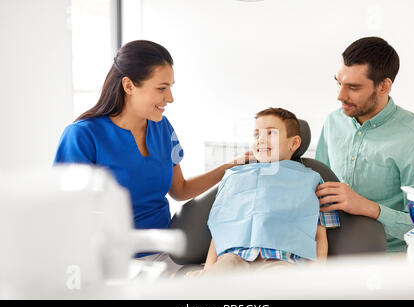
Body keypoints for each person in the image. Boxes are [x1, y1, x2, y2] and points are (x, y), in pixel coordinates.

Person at [53, 40, 252, 276]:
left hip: (165, 253)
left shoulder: (162, 127)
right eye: (161, 88)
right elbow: (65, 214)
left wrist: (235, 165)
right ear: (128, 85)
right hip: (111, 263)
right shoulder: (82, 135)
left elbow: (180, 189)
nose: (170, 97)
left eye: (171, 87)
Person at [315, 37, 414, 253]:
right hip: (328, 248)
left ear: (384, 86)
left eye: (353, 87)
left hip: (387, 259)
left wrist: (367, 207)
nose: (340, 96)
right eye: (339, 83)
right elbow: (314, 184)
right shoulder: (333, 121)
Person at [186, 108, 340, 278]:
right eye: (256, 134)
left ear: (294, 143)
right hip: (235, 258)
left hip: (282, 260)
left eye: (270, 133)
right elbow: (221, 229)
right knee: (216, 276)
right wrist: (208, 270)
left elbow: (320, 235)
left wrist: (316, 276)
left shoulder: (313, 181)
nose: (260, 140)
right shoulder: (234, 178)